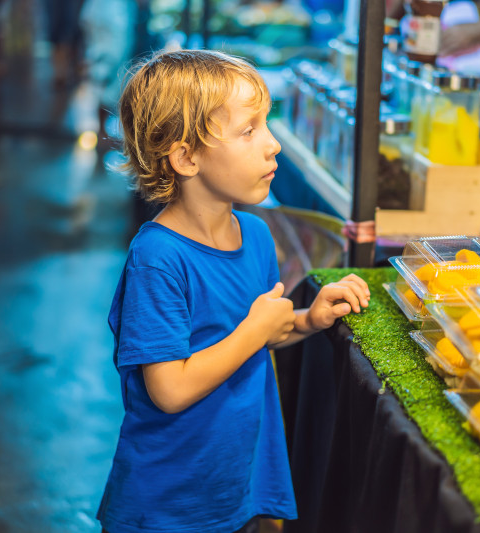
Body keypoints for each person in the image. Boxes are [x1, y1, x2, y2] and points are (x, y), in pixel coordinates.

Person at [96, 49, 371, 533]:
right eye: (249, 131)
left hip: (237, 487)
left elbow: (256, 334)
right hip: (168, 505)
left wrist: (307, 319)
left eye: (267, 125)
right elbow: (170, 389)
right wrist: (256, 329)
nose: (273, 146)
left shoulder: (257, 235)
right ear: (185, 157)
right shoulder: (159, 258)